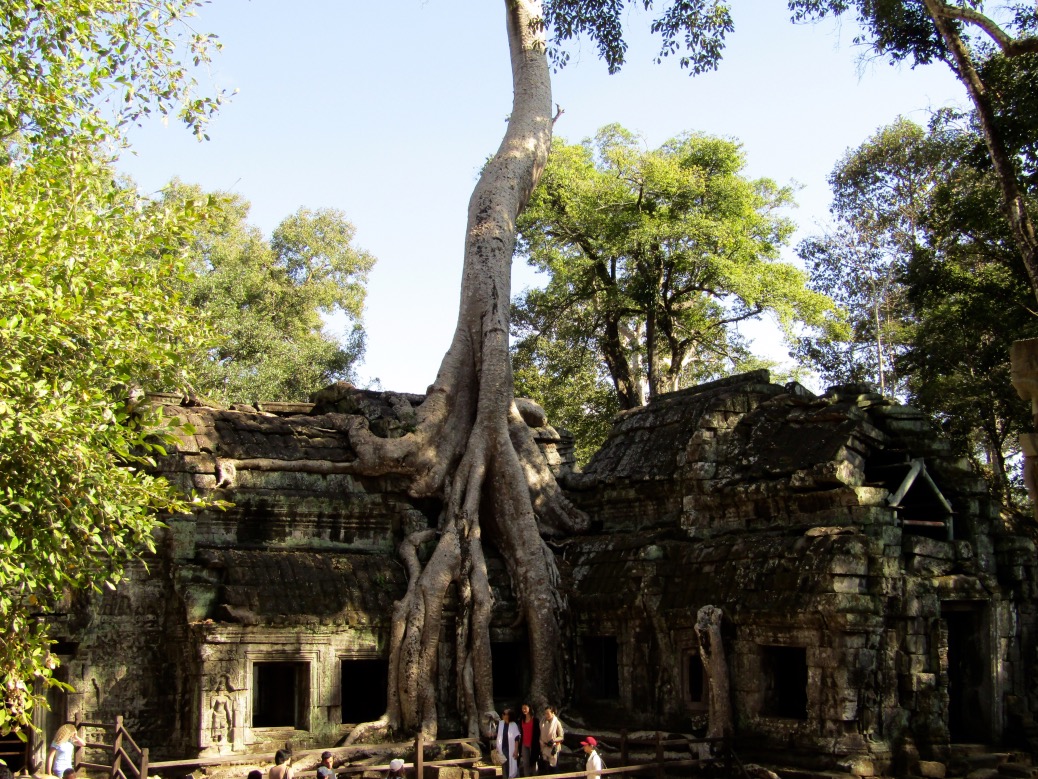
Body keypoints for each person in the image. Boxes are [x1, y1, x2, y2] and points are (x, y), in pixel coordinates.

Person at [538, 706, 564, 773]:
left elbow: (561, 736)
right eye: (545, 713)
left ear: (552, 713)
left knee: (554, 768)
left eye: (548, 713)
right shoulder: (542, 722)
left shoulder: (557, 723)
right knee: (546, 768)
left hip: (554, 747)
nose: (546, 715)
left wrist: (554, 740)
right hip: (544, 746)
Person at [495, 708, 520, 779]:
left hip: (511, 749)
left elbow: (516, 738)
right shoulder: (500, 724)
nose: (503, 715)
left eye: (505, 714)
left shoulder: (514, 725)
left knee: (512, 765)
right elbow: (497, 735)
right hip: (502, 748)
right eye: (503, 713)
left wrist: (516, 750)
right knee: (504, 766)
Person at [516, 704, 538, 777]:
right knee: (525, 763)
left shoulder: (535, 720)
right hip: (524, 744)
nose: (524, 710)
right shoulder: (521, 720)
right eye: (522, 708)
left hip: (533, 744)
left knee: (534, 763)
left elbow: (537, 733)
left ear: (529, 708)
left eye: (525, 708)